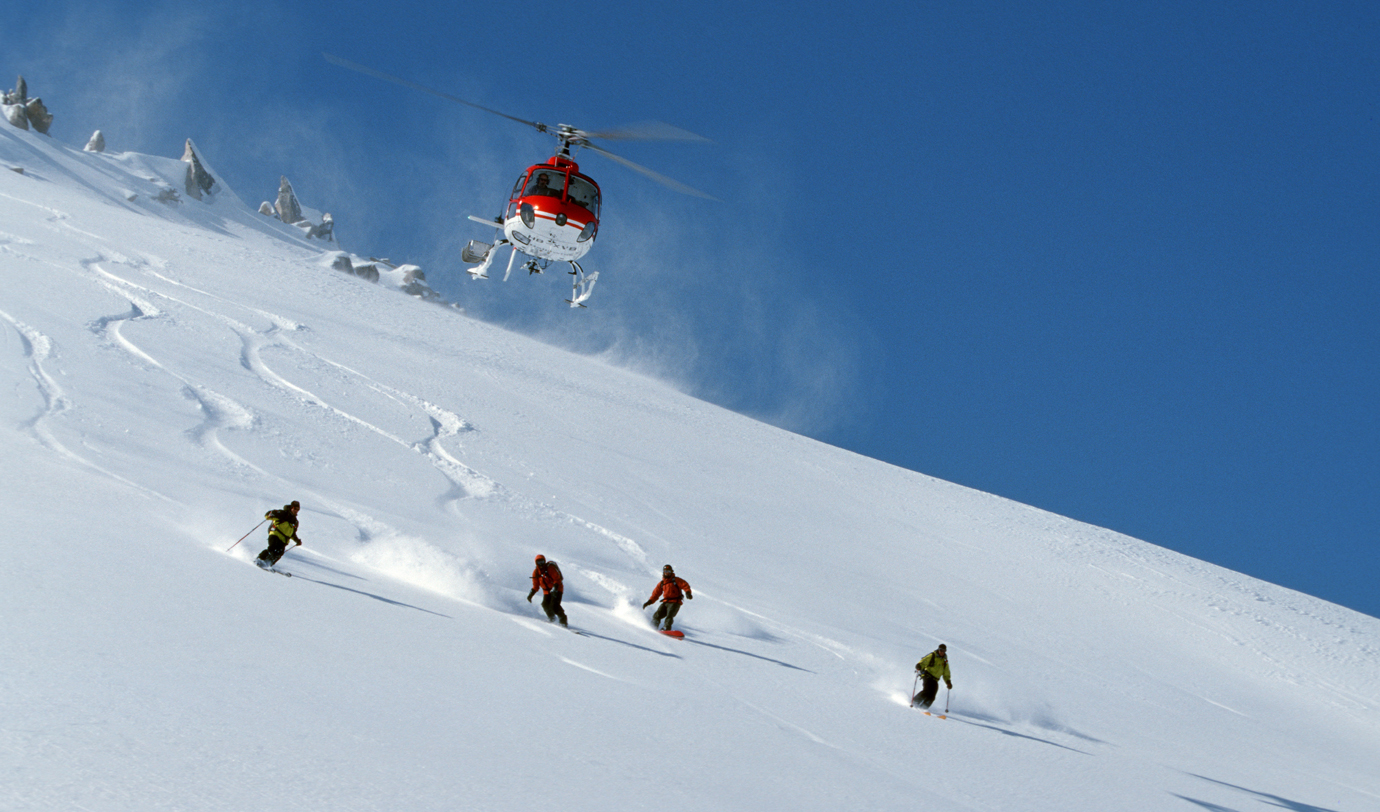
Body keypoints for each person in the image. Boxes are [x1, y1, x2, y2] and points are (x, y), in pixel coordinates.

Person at [642, 564, 692, 631]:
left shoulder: (676, 580)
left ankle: (666, 628)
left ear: (671, 572)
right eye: (666, 571)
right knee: (657, 615)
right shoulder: (662, 583)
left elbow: (685, 585)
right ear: (663, 572)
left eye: (669, 571)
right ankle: (653, 626)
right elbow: (656, 594)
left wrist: (688, 592)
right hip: (665, 602)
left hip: (675, 602)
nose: (667, 573)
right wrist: (649, 601)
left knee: (669, 616)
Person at [256, 501, 302, 569]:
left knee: (279, 553)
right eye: (295, 508)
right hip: (275, 534)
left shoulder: (295, 521)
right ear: (291, 507)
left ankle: (268, 564)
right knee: (272, 548)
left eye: (298, 509)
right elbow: (268, 515)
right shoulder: (283, 513)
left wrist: (297, 540)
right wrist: (270, 514)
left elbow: (292, 533)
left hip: (284, 540)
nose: (296, 511)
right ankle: (259, 559)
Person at [527, 554, 567, 626]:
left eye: (542, 562)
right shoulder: (536, 572)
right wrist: (530, 595)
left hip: (557, 588)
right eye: (539, 562)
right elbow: (536, 586)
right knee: (545, 604)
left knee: (554, 605)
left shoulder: (550, 568)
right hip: (546, 591)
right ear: (536, 563)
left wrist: (555, 589)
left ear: (544, 561)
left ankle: (563, 620)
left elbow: (557, 580)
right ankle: (552, 619)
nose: (541, 564)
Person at [913, 644, 953, 708]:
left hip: (935, 679)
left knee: (933, 694)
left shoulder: (945, 661)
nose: (941, 652)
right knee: (927, 690)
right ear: (938, 649)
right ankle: (914, 702)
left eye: (943, 651)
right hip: (927, 675)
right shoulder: (933, 655)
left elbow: (946, 673)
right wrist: (919, 665)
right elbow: (924, 661)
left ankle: (924, 707)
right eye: (940, 650)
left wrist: (948, 682)